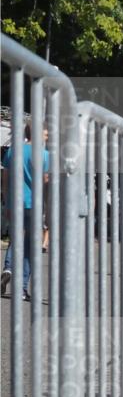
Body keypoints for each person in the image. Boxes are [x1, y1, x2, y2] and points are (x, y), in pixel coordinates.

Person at [1, 120, 50, 300]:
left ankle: (8, 268)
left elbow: (5, 178)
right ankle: (21, 287)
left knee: (16, 238)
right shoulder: (44, 155)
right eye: (45, 134)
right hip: (34, 204)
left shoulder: (13, 150)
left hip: (14, 202)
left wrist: (6, 202)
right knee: (30, 245)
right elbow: (45, 181)